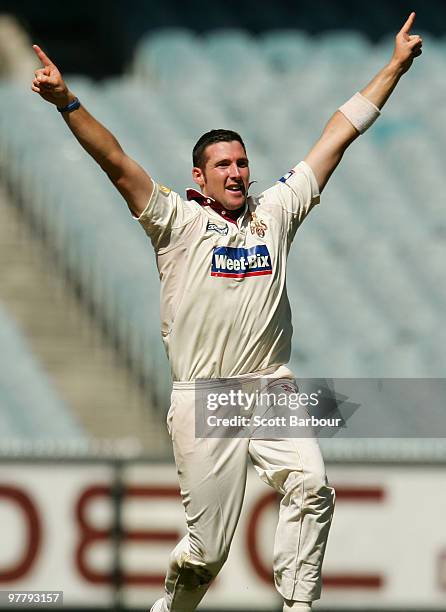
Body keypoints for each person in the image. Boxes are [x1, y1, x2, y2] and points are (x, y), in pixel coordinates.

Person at [31, 13, 422, 612]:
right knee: (206, 556)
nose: (238, 172)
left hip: (267, 386)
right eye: (224, 166)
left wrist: (393, 67)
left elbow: (337, 134)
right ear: (200, 178)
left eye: (242, 162)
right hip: (201, 396)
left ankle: (297, 605)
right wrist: (68, 102)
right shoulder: (177, 223)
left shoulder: (275, 211)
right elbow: (116, 162)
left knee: (313, 485)